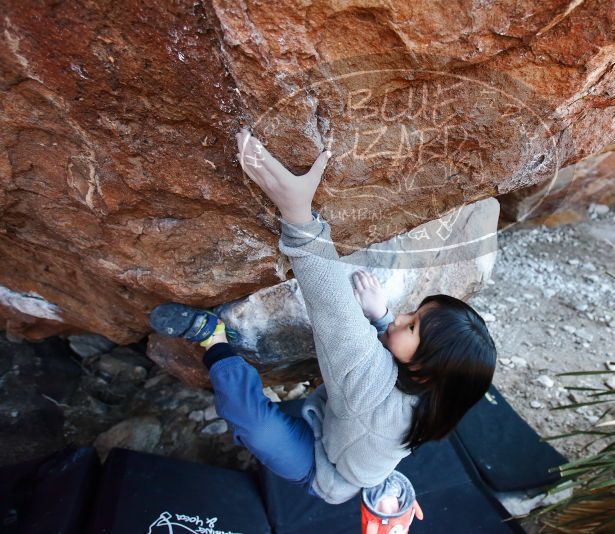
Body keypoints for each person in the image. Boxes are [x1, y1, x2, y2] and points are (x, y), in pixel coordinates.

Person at [148, 128, 497, 508]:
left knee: (252, 423)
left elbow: (335, 311)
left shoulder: (374, 394)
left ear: (427, 370)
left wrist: (297, 214)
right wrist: (382, 319)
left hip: (324, 471)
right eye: (412, 313)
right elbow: (382, 353)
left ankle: (212, 339)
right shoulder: (442, 393)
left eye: (411, 325)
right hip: (342, 430)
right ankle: (377, 475)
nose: (401, 317)